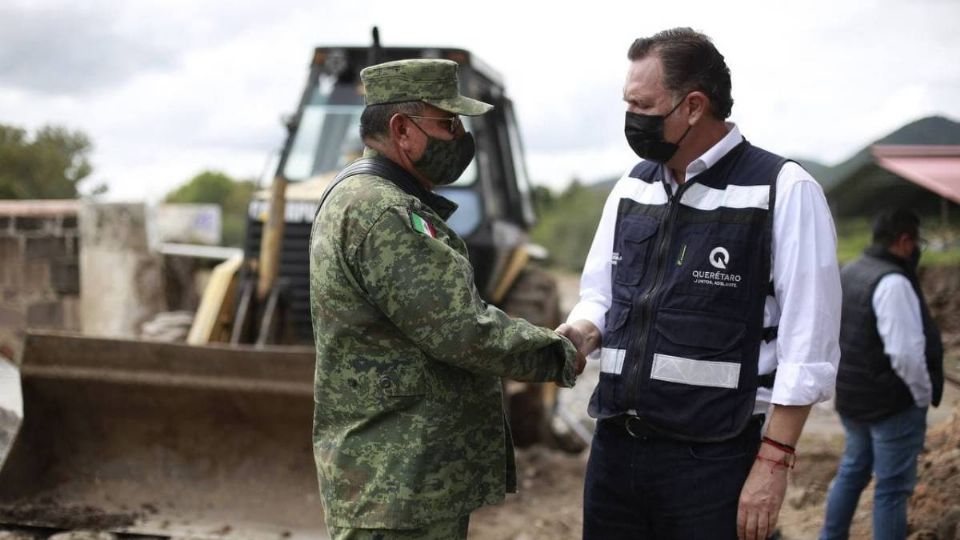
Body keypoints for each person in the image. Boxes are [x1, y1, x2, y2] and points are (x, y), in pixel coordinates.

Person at [555, 28, 842, 540]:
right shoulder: (631, 187)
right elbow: (601, 294)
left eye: (642, 105)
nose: (631, 119)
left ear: (692, 106)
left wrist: (772, 463)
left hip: (714, 459)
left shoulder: (783, 191)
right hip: (616, 452)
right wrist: (580, 333)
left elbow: (808, 349)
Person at [309, 58, 584, 540]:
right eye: (447, 122)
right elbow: (460, 330)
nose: (458, 136)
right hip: (399, 483)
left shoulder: (360, 196)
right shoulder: (386, 211)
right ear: (402, 130)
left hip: (395, 479)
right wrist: (559, 351)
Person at [820, 208, 944, 540]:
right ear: (905, 241)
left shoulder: (852, 270)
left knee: (852, 471)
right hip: (891, 405)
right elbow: (905, 354)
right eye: (918, 242)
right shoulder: (892, 282)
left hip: (854, 398)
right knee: (891, 488)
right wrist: (921, 395)